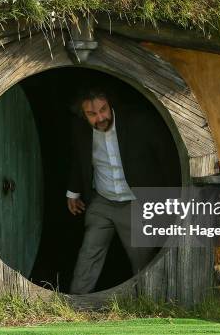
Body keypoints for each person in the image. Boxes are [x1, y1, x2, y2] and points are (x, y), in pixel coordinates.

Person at [66, 87, 181, 294]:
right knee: (88, 253)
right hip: (102, 200)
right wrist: (73, 192)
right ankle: (76, 304)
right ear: (83, 115)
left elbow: (167, 160)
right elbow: (78, 159)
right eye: (92, 114)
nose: (100, 117)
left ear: (110, 104)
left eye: (103, 109)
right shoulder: (79, 129)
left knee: (143, 258)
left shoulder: (139, 122)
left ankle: (145, 302)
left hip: (134, 201)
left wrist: (172, 200)